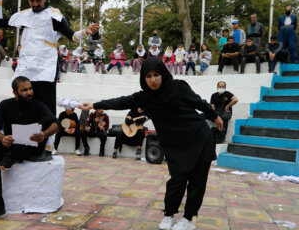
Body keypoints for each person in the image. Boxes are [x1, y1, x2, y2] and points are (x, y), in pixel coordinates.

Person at [80, 57, 223, 230]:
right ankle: (169, 215)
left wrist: (215, 116)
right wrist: (95, 105)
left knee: (197, 182)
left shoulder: (179, 87)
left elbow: (199, 102)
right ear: (143, 78)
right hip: (175, 144)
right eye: (148, 76)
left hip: (199, 137)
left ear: (163, 73)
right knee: (177, 179)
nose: (153, 80)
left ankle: (188, 219)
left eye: (156, 74)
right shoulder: (144, 98)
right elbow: (121, 101)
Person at [0, 0, 99, 115]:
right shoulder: (23, 15)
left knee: (45, 108)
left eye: (38, 0)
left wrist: (86, 31)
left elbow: (73, 36)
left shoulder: (54, 16)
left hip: (45, 69)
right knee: (24, 107)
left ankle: (47, 134)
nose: (35, 4)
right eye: (32, 0)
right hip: (26, 68)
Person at [0, 76, 59, 224]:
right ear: (15, 93)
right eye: (24, 90)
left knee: (31, 139)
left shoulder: (39, 105)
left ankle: (12, 156)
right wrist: (2, 138)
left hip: (32, 144)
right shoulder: (5, 105)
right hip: (10, 143)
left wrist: (44, 134)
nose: (29, 92)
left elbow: (55, 123)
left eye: (30, 88)